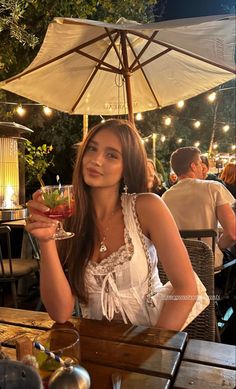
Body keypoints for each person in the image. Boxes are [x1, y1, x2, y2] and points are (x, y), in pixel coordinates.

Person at [25, 119, 198, 331]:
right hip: (95, 345)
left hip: (151, 340)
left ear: (127, 166)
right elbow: (60, 312)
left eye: (111, 155)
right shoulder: (70, 218)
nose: (96, 160)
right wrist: (46, 241)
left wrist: (156, 347)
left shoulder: (147, 208)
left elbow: (186, 288)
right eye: (92, 149)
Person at [162, 147, 236, 268]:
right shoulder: (213, 188)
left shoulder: (165, 197)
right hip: (210, 266)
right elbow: (232, 233)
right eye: (200, 163)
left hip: (177, 266)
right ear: (193, 166)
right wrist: (216, 247)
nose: (203, 167)